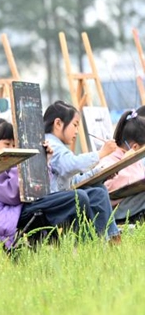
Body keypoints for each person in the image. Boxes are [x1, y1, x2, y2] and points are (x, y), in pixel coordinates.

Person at [0, 118, 91, 248]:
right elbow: (12, 195)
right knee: (78, 198)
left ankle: (79, 249)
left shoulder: (1, 162)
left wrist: (44, 161)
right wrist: (17, 163)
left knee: (87, 195)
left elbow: (39, 187)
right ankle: (81, 249)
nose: (12, 149)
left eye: (14, 145)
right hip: (14, 211)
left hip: (26, 204)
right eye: (7, 144)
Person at [43, 100, 120, 240]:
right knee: (88, 195)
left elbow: (73, 179)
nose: (77, 131)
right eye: (75, 125)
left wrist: (100, 173)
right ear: (58, 123)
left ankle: (107, 238)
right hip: (51, 200)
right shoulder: (50, 144)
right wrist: (100, 154)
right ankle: (100, 240)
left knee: (99, 191)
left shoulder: (58, 145)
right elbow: (72, 164)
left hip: (62, 195)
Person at [98, 108, 145, 222]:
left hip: (133, 204)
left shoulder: (135, 159)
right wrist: (124, 164)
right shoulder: (108, 160)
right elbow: (107, 189)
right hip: (117, 211)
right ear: (135, 147)